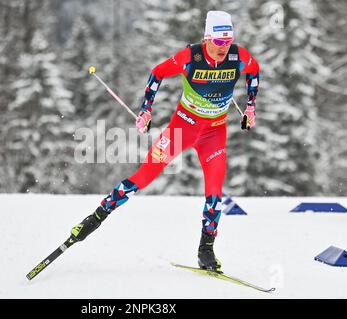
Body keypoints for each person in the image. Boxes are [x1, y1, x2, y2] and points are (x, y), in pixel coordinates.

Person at [69, 11, 260, 272]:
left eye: (228, 42)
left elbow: (255, 71)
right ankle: (93, 219)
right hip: (182, 128)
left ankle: (206, 250)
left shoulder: (239, 57)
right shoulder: (190, 58)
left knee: (214, 194)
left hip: (214, 134)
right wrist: (146, 110)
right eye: (218, 42)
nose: (223, 49)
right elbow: (157, 73)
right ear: (207, 39)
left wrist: (250, 107)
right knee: (142, 178)